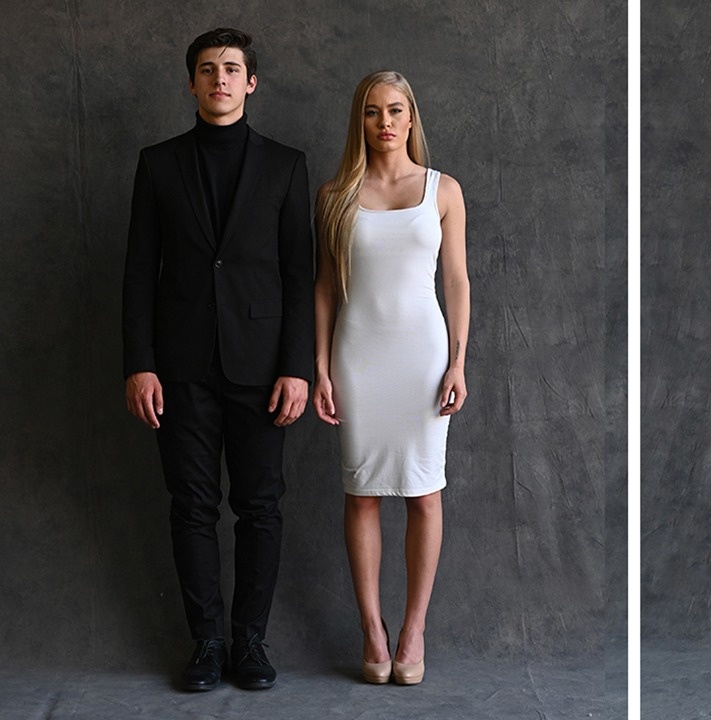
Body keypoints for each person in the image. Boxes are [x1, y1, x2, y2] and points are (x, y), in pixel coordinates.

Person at [122, 28, 314, 692]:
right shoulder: (158, 164)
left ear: (251, 82)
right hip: (179, 367)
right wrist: (139, 362)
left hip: (263, 368)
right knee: (192, 506)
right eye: (208, 70)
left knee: (261, 507)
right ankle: (206, 642)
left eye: (232, 69)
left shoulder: (287, 165)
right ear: (192, 83)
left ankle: (250, 643)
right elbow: (139, 273)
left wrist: (298, 365)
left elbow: (299, 274)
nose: (220, 79)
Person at [312, 71, 469, 686]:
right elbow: (325, 287)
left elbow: (455, 281)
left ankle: (413, 629)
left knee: (426, 493)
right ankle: (372, 629)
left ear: (411, 118)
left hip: (423, 355)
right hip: (359, 354)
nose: (385, 122)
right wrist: (320, 367)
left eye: (396, 111)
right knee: (363, 493)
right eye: (374, 112)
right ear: (361, 120)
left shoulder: (443, 190)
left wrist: (458, 360)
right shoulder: (333, 195)